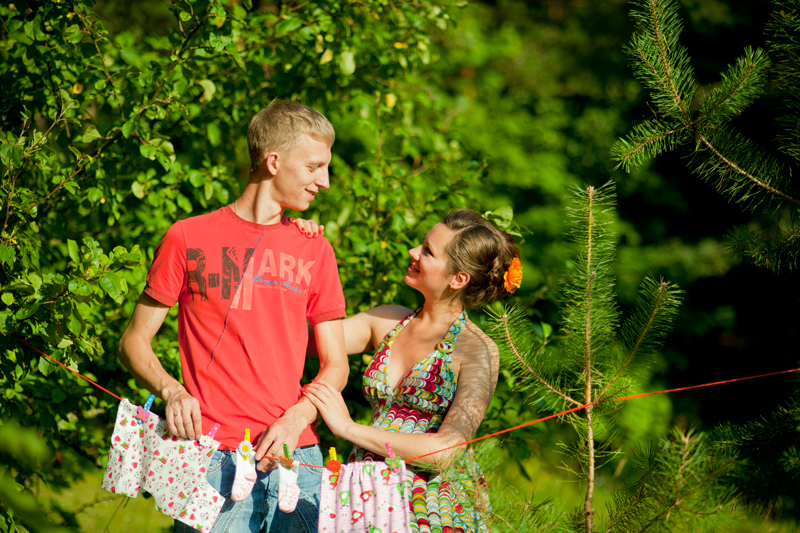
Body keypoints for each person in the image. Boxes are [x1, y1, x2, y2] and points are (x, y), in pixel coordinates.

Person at [118, 100, 349, 533]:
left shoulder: (316, 249)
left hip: (298, 460)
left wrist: (297, 417)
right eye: (314, 167)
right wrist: (171, 391)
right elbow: (133, 341)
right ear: (274, 162)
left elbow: (337, 365)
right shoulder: (186, 237)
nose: (325, 181)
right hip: (212, 461)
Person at [300, 209, 521, 533]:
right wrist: (299, 248)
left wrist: (348, 428)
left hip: (432, 509)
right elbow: (300, 339)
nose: (412, 252)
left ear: (458, 279)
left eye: (428, 251)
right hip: (367, 496)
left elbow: (445, 452)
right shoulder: (387, 320)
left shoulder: (478, 350)